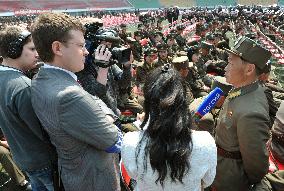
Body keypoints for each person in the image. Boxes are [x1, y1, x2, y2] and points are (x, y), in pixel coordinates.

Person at [30, 13, 122, 191]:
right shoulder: (70, 96)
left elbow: (92, 100)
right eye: (80, 45)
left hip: (74, 174)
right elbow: (114, 140)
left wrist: (95, 109)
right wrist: (107, 115)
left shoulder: (41, 78)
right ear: (57, 48)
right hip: (94, 180)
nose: (87, 51)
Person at [121, 64, 217, 191]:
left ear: (148, 102)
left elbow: (133, 175)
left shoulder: (130, 141)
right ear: (183, 101)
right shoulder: (205, 141)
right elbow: (207, 181)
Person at [213, 36, 272, 191]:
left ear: (249, 69)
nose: (226, 67)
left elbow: (256, 167)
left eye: (231, 63)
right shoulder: (241, 88)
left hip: (230, 178)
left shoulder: (251, 112)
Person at [0, 26, 55, 191]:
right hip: (44, 161)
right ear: (14, 50)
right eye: (31, 49)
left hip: (23, 159)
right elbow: (44, 131)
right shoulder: (23, 86)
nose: (37, 53)